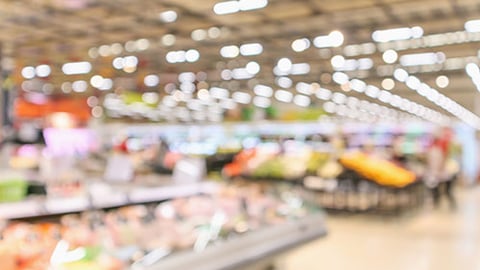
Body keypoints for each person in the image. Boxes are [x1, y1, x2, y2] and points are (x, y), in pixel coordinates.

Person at [425, 128, 457, 208]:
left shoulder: (440, 150)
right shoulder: (433, 150)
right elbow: (430, 162)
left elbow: (441, 162)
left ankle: (449, 204)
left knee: (446, 191)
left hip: (441, 173)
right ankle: (437, 204)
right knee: (436, 190)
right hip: (436, 173)